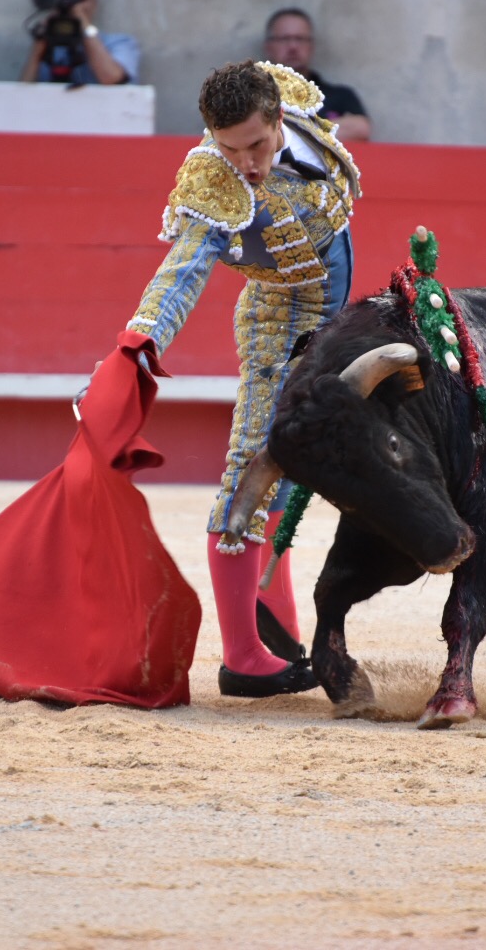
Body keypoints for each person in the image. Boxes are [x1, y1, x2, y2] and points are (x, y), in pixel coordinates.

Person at [126, 60, 360, 698]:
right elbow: (182, 269)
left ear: (279, 117)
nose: (247, 164)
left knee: (291, 468)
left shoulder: (293, 101)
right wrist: (141, 337)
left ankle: (273, 611)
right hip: (277, 323)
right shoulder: (214, 184)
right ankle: (241, 659)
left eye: (256, 145)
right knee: (251, 471)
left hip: (331, 319)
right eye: (229, 150)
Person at [263, 7, 371, 141]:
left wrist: (285, 133)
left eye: (300, 39)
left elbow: (360, 129)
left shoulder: (341, 96)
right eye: (284, 39)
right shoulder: (252, 95)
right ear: (268, 46)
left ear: (311, 46)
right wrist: (323, 131)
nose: (293, 47)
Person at [20, 0, 140, 86]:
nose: (70, 8)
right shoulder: (48, 46)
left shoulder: (119, 42)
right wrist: (39, 46)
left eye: (79, 0)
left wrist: (82, 22)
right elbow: (22, 92)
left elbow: (111, 79)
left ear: (93, 3)